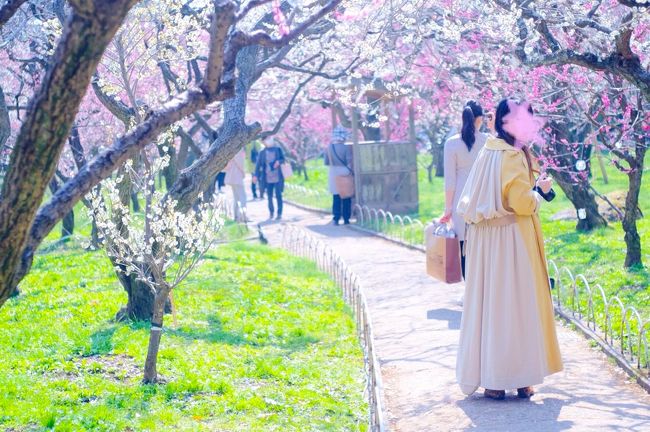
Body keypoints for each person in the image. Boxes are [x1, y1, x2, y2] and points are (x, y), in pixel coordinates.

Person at [455, 98, 563, 400]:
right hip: (511, 241)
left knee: (492, 308)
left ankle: (493, 379)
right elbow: (522, 203)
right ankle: (518, 378)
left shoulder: (489, 150)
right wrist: (539, 193)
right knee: (516, 308)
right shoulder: (513, 156)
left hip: (487, 242)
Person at [439, 100, 488, 279]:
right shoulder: (488, 141)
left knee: (464, 248)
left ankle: (470, 292)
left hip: (461, 199)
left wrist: (448, 208)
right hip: (483, 197)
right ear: (480, 119)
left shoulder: (451, 143)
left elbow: (450, 180)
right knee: (483, 246)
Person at [324, 126, 354, 225]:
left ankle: (336, 218)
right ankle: (346, 219)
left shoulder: (329, 148)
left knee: (336, 196)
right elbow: (349, 161)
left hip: (333, 172)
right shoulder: (345, 148)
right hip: (344, 171)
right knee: (346, 196)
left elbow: (326, 162)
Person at [254, 139, 285, 220]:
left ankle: (279, 213)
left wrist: (279, 162)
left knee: (278, 195)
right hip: (267, 178)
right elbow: (258, 165)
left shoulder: (278, 149)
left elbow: (283, 159)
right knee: (269, 196)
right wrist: (255, 175)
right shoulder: (262, 152)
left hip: (278, 177)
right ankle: (271, 212)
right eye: (264, 141)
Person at [224, 148, 248, 222]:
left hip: (231, 176)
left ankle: (236, 216)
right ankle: (242, 217)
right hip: (236, 176)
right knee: (242, 197)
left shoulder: (231, 150)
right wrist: (243, 172)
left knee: (236, 198)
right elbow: (239, 163)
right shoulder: (239, 149)